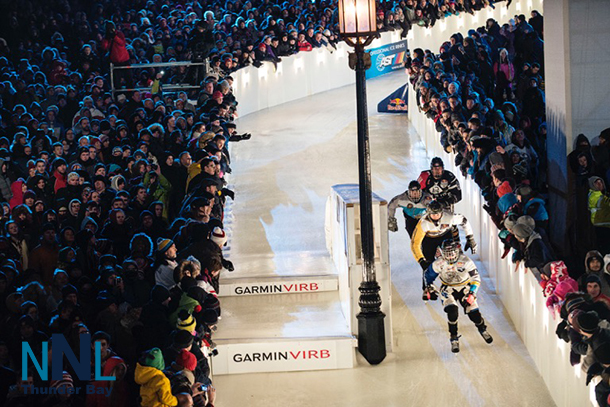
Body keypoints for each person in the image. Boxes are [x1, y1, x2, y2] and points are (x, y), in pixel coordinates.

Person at [424, 239, 493, 353]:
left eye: (452, 253)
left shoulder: (466, 261)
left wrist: (472, 293)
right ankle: (453, 336)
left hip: (465, 287)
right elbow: (428, 276)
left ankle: (482, 328)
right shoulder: (438, 263)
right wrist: (429, 287)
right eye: (447, 253)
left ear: (457, 251)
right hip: (448, 288)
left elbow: (476, 278)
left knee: (474, 314)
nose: (450, 256)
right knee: (452, 312)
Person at [411, 200, 477, 298]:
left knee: (454, 256)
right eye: (433, 214)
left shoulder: (449, 217)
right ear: (428, 213)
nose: (436, 217)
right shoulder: (423, 223)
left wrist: (470, 238)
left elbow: (464, 221)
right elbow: (415, 243)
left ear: (442, 212)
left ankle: (461, 280)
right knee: (427, 264)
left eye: (438, 214)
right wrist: (421, 260)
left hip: (445, 235)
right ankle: (428, 288)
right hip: (429, 239)